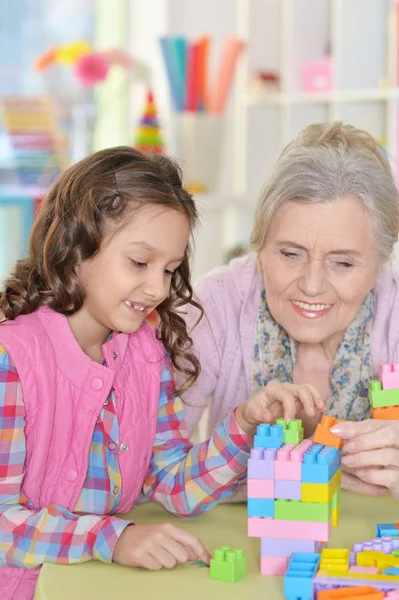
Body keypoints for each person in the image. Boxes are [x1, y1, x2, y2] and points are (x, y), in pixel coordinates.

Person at [0, 147, 321, 600]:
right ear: (74, 248)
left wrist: (243, 425)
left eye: (169, 270)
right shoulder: (10, 360)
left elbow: (171, 482)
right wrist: (114, 539)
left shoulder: (146, 354)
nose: (157, 288)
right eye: (139, 262)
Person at [181, 121, 399, 502]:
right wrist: (286, 478)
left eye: (343, 263)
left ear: (380, 264)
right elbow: (147, 465)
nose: (312, 285)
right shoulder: (213, 305)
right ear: (259, 247)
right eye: (290, 254)